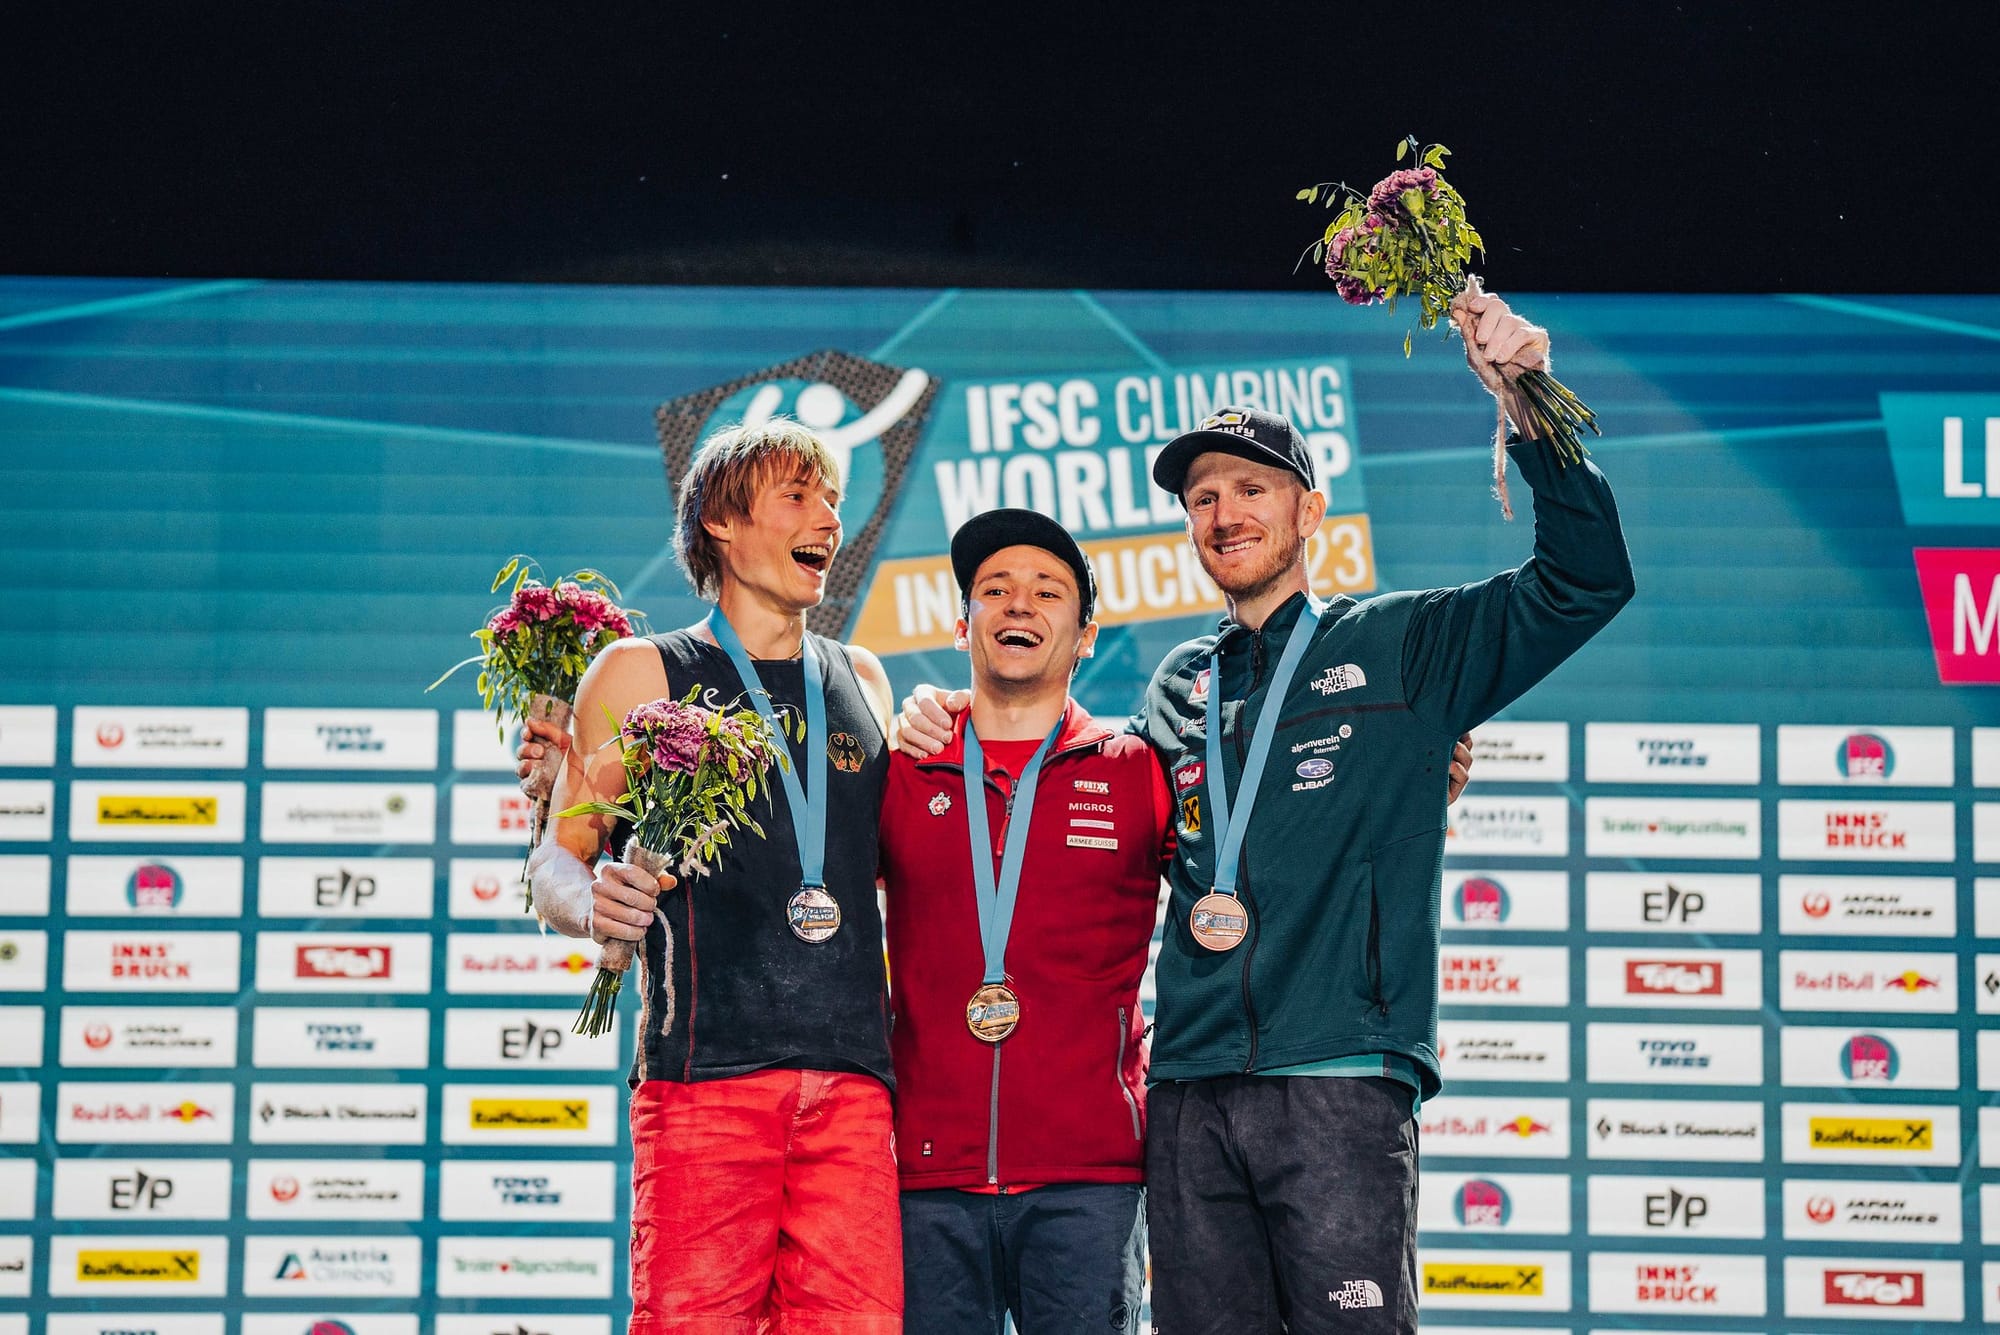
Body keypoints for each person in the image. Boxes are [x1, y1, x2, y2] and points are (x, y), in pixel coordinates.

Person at [901, 288, 1633, 1333]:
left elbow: (1583, 581)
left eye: (1251, 488)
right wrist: (937, 712)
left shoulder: (1402, 647)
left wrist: (1525, 400)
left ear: (1307, 509)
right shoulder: (1173, 688)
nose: (1224, 514)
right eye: (1201, 497)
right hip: (1191, 1091)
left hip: (1336, 1079)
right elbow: (1078, 795)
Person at [520, 418, 903, 1334]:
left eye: (834, 501)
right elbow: (554, 864)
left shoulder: (866, 680)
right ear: (723, 524)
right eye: (798, 496)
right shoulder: (641, 670)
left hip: (854, 1086)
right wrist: (596, 907)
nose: (828, 520)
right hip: (704, 1082)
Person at [878, 508, 1168, 1335]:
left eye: (1049, 592)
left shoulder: (1136, 769)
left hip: (1090, 1178)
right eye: (995, 589)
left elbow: (1265, 878)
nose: (1019, 606)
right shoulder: (900, 768)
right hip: (925, 1176)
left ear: (1085, 634)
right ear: (961, 620)